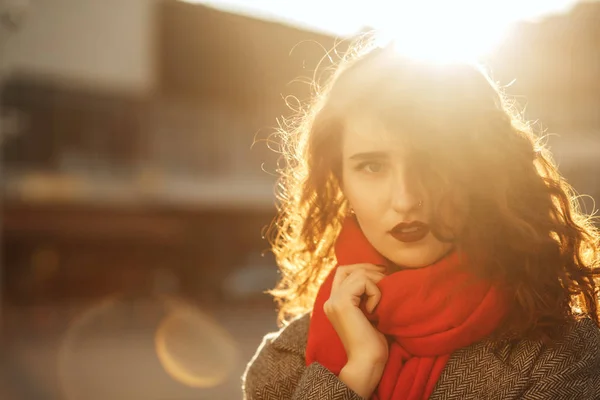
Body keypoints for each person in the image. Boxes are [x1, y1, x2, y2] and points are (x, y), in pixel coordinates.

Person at [242, 34, 600, 400]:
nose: (406, 199)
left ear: (483, 171)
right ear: (341, 182)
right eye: (371, 166)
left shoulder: (558, 348)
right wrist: (357, 372)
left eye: (432, 163)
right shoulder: (283, 364)